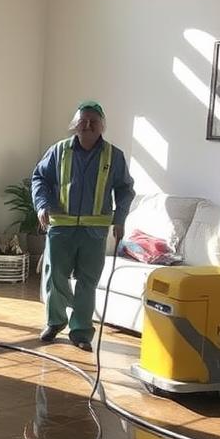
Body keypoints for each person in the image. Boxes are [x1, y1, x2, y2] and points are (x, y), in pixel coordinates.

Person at [30, 101, 135, 351]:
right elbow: (40, 178)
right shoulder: (59, 151)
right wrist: (42, 205)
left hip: (93, 233)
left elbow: (124, 190)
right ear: (74, 124)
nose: (87, 125)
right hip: (61, 229)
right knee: (55, 276)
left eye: (93, 121)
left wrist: (120, 219)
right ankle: (55, 322)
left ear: (102, 126)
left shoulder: (114, 156)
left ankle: (80, 332)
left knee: (88, 282)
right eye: (83, 120)